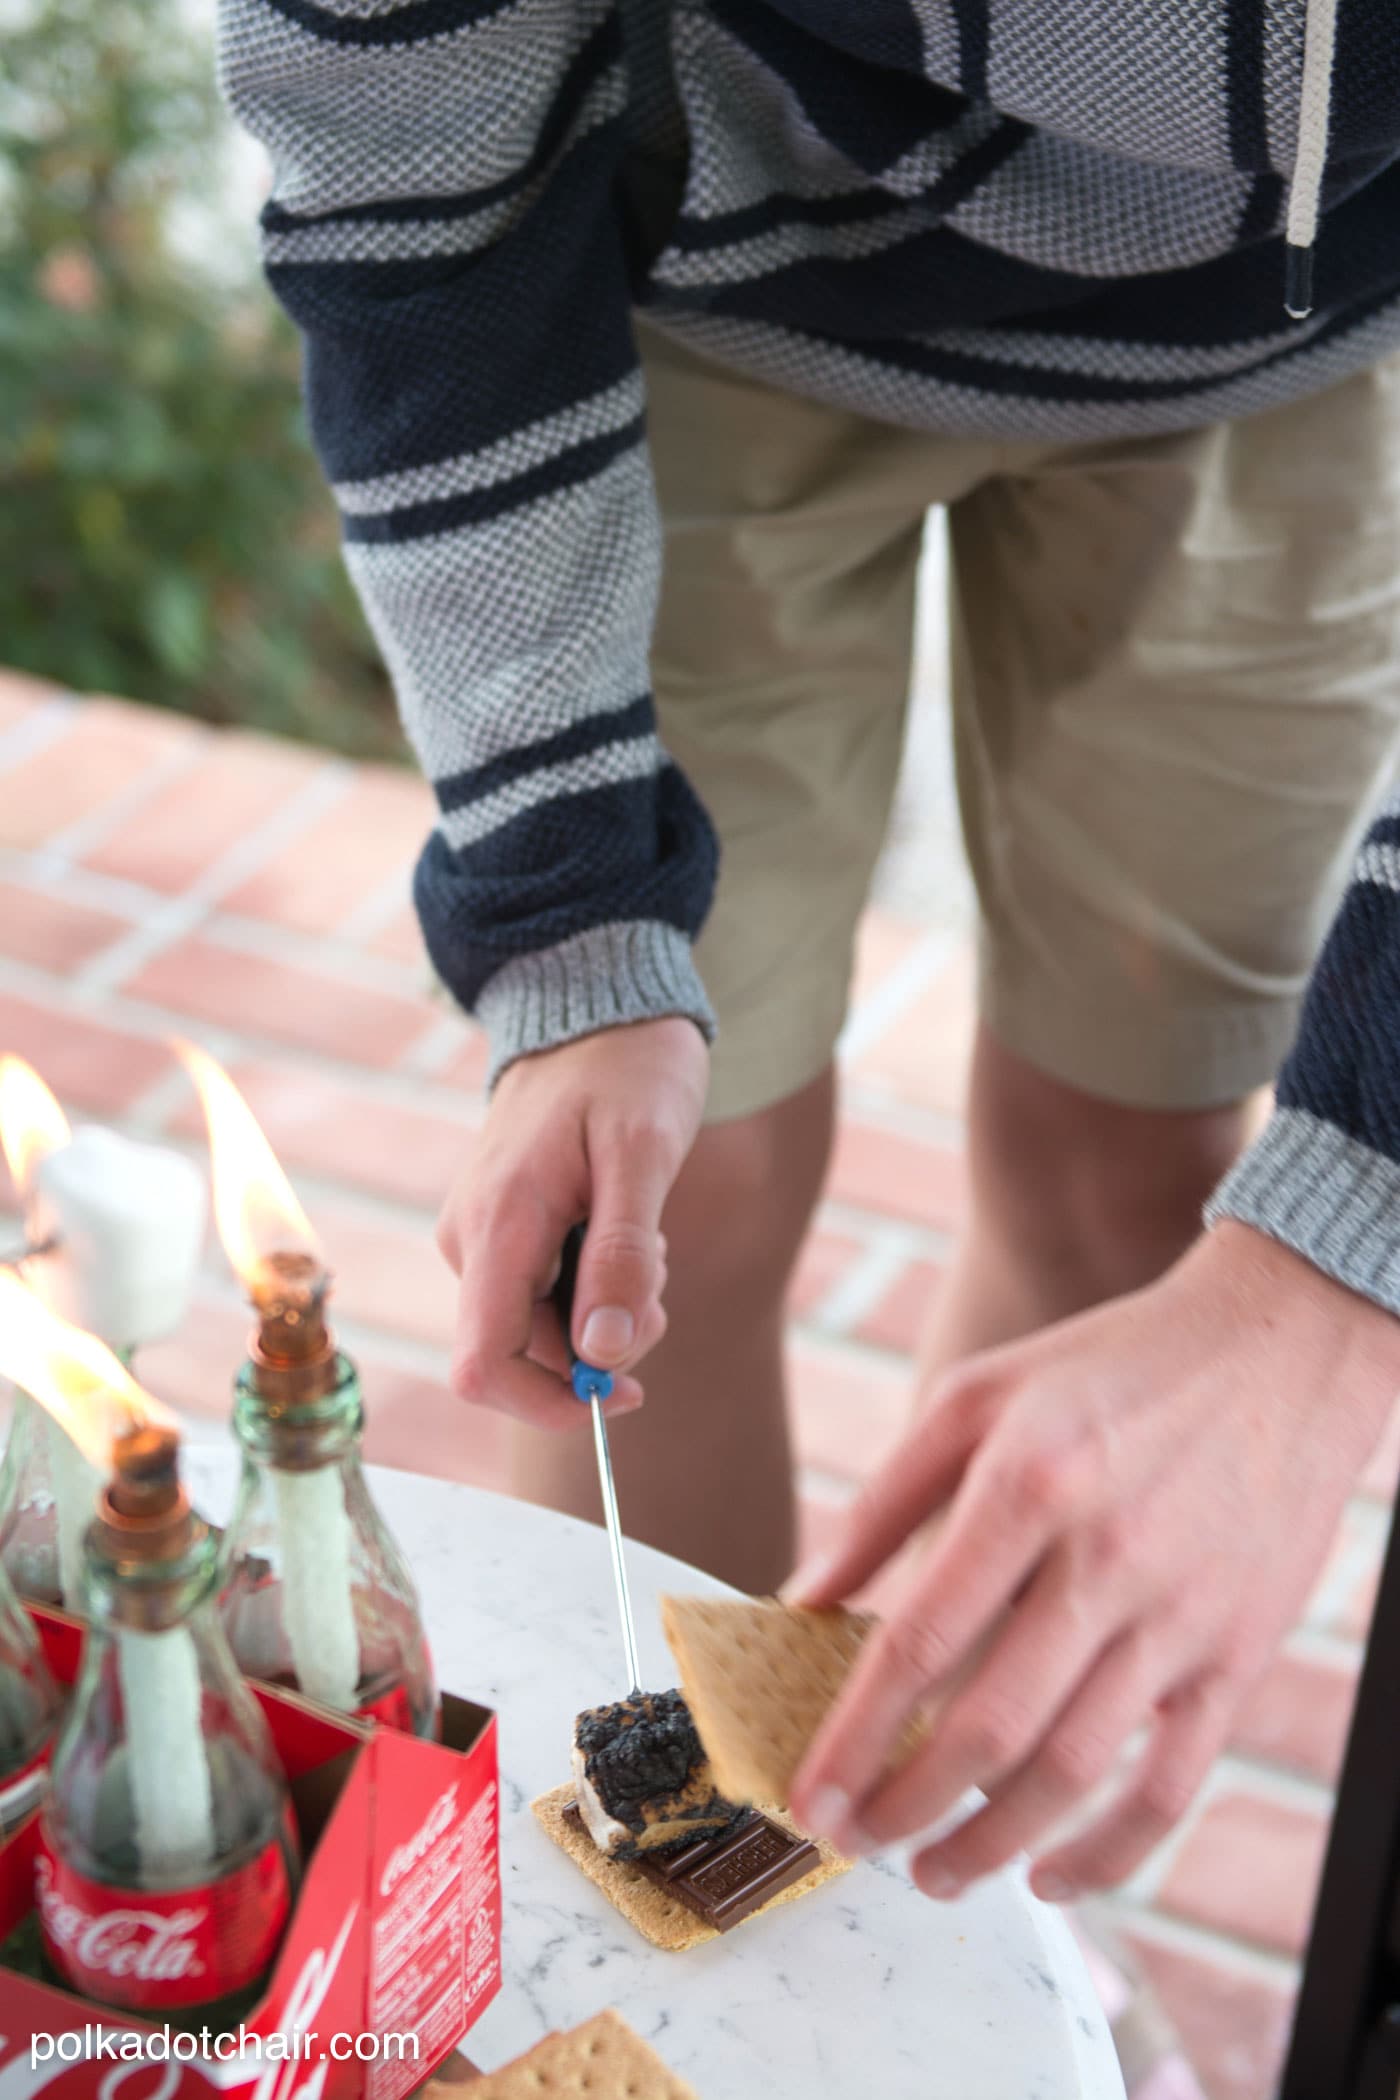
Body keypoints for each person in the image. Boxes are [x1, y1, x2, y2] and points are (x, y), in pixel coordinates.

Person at [220, 0, 1400, 1904]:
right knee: (672, 1206)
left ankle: (959, 1910)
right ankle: (674, 1888)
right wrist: (575, 906)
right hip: (709, 300)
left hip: (1290, 334)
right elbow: (401, 145)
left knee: (1132, 1183)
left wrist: (1351, 1238)